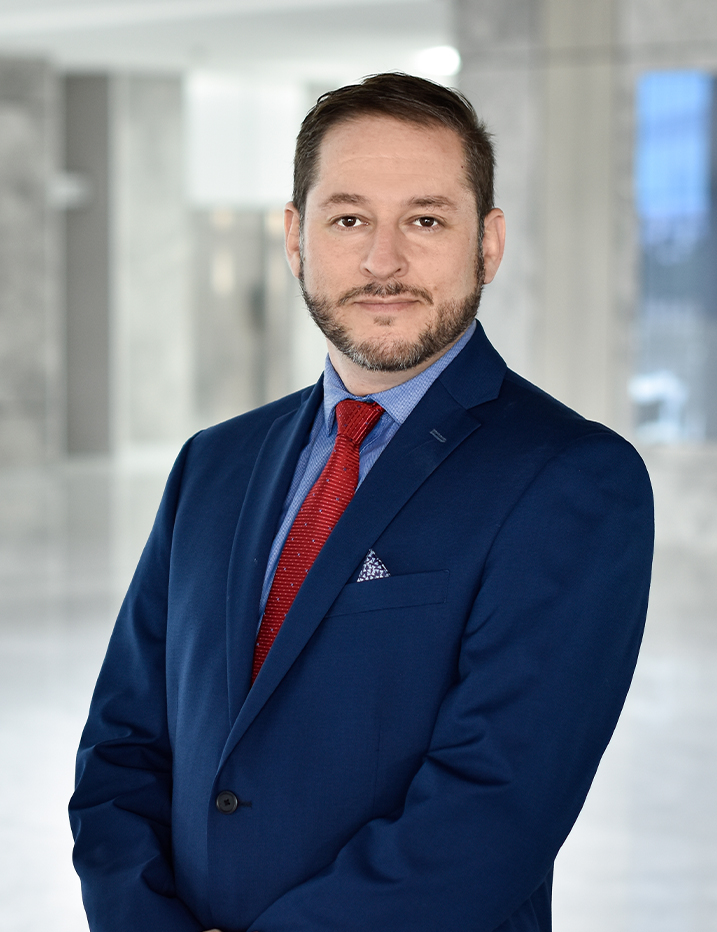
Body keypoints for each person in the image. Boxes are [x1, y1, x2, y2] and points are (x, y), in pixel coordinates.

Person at [70, 73, 654, 932]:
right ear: (295, 239)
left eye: (425, 219)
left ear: (488, 244)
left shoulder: (572, 479)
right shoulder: (214, 464)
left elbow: (490, 817)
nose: (384, 261)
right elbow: (122, 749)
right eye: (348, 220)